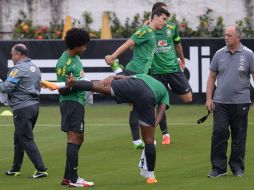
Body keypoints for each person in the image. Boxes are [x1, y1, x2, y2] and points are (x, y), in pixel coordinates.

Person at [41, 73, 170, 184]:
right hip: (147, 95)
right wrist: (154, 125)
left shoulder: (144, 76)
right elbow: (161, 110)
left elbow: (125, 77)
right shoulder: (164, 92)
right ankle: (151, 177)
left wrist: (112, 77)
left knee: (95, 86)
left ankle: (60, 85)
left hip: (134, 85)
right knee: (148, 140)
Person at [105, 7, 170, 149]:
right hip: (135, 72)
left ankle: (138, 141)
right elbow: (129, 43)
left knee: (137, 106)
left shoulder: (150, 32)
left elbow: (135, 47)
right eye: (163, 19)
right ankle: (143, 140)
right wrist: (113, 56)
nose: (165, 23)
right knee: (139, 105)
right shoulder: (146, 31)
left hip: (142, 74)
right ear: (156, 16)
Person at [206, 25, 254, 178]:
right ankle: (218, 168)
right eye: (225, 34)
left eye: (229, 35)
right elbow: (212, 77)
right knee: (219, 133)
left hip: (241, 102)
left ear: (238, 37)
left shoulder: (248, 55)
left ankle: (237, 167)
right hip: (220, 102)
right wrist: (209, 98)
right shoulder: (219, 54)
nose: (226, 37)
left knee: (239, 136)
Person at [0, 44, 48, 178]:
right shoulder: (35, 68)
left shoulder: (18, 68)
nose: (12, 57)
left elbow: (7, 87)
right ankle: (16, 168)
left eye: (12, 54)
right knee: (19, 138)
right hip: (34, 106)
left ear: (18, 54)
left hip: (22, 108)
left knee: (26, 138)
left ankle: (41, 169)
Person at [148, 2, 192, 145]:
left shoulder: (172, 27)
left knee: (188, 98)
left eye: (166, 13)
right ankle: (165, 134)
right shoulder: (147, 28)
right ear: (155, 14)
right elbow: (135, 45)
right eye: (162, 13)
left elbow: (177, 44)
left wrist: (182, 58)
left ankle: (169, 89)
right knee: (159, 104)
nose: (165, 17)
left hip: (173, 69)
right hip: (156, 72)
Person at [56, 28, 94, 187]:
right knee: (73, 138)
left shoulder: (76, 57)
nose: (85, 49)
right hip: (70, 102)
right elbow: (61, 89)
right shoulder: (63, 63)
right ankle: (73, 178)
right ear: (75, 45)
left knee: (80, 137)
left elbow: (78, 79)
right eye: (83, 46)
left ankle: (67, 176)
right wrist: (70, 85)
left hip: (78, 102)